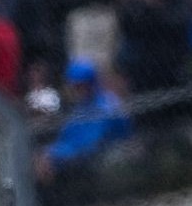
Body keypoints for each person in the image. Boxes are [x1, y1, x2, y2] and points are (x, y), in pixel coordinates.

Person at [37, 58, 133, 197]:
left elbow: (90, 145)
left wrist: (53, 156)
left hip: (104, 161)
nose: (75, 90)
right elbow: (66, 138)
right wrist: (48, 153)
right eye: (73, 86)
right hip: (77, 160)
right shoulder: (81, 108)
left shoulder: (105, 107)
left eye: (79, 86)